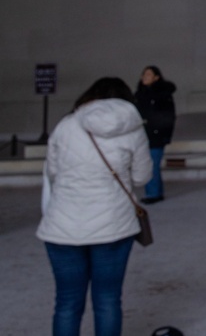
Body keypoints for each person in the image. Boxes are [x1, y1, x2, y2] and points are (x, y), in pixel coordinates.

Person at [37, 77, 153, 336]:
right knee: (108, 300)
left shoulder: (66, 125)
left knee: (67, 302)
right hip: (113, 225)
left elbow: (53, 172)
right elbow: (141, 178)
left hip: (62, 226)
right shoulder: (133, 130)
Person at [134, 65, 176, 204]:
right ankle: (154, 192)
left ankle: (153, 194)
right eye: (143, 74)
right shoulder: (140, 94)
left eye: (148, 74)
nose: (144, 77)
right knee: (148, 163)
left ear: (156, 77)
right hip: (143, 133)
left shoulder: (162, 95)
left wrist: (161, 131)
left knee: (152, 164)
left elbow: (168, 116)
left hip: (156, 133)